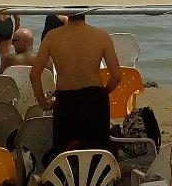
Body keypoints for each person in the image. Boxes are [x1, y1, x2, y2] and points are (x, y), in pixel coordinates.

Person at [30, 14, 121, 155]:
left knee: (65, 152)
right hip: (95, 100)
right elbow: (116, 76)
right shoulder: (101, 36)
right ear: (86, 12)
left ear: (68, 12)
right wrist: (103, 94)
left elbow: (34, 75)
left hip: (66, 100)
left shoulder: (52, 36)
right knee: (97, 152)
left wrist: (44, 104)